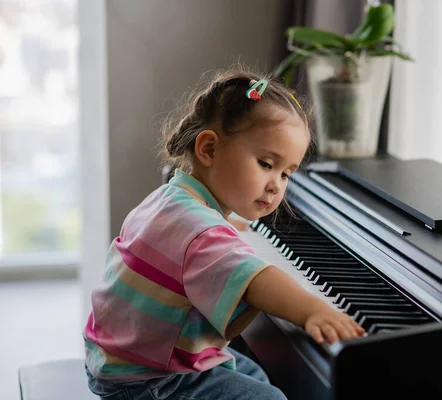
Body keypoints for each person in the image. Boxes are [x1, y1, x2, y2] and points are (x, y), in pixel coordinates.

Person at [83, 66, 365, 400]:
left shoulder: (173, 199)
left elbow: (198, 243)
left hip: (123, 359)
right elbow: (255, 280)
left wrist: (228, 225)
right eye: (266, 164)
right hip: (149, 381)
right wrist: (313, 309)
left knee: (255, 372)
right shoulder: (200, 231)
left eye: (287, 173)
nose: (276, 185)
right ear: (209, 150)